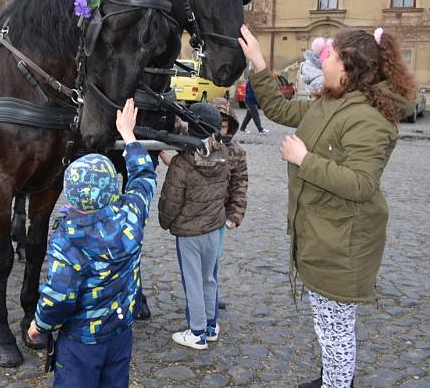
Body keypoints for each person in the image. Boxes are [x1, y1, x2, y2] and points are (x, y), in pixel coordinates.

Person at [238, 24, 415, 388]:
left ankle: (337, 383)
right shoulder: (332, 101)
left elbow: (362, 184)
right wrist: (257, 60)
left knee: (336, 331)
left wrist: (304, 160)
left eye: (331, 54)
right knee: (328, 325)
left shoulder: (368, 117)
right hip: (323, 236)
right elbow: (279, 108)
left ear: (348, 68)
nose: (324, 58)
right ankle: (332, 378)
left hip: (342, 245)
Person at [27, 98, 156, 388]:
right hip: (121, 332)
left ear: (71, 196)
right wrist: (129, 136)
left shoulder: (69, 241)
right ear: (112, 187)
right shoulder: (132, 213)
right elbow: (144, 179)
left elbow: (59, 297)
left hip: (82, 341)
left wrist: (40, 326)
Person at [158, 102, 227, 350]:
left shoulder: (182, 163)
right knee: (209, 278)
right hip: (213, 230)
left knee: (193, 281)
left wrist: (165, 222)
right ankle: (211, 325)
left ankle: (197, 332)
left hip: (189, 234)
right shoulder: (224, 155)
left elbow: (171, 200)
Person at [210, 97, 249, 311]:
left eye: (223, 125)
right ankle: (205, 298)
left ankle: (212, 295)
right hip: (199, 215)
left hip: (220, 215)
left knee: (214, 259)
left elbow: (240, 184)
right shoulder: (200, 146)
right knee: (201, 262)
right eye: (215, 125)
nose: (219, 130)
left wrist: (235, 214)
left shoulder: (237, 152)